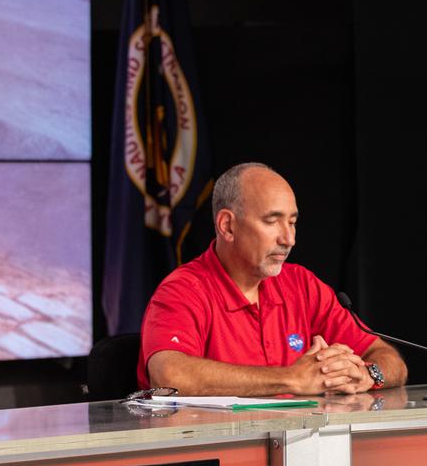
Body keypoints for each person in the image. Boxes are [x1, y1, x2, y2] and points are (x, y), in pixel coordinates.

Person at [137, 162, 407, 395]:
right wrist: (292, 378)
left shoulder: (301, 284)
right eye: (272, 221)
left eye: (292, 222)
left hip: (298, 448)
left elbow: (389, 359)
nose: (289, 239)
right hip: (215, 451)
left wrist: (367, 376)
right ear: (227, 225)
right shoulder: (183, 289)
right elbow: (168, 376)